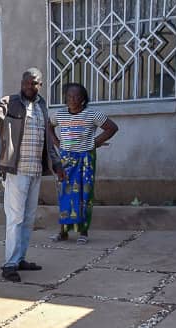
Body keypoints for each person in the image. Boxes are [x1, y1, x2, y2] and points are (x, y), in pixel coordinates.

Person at [0, 68, 65, 282]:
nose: (28, 86)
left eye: (33, 83)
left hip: (35, 171)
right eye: (25, 82)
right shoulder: (11, 102)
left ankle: (20, 259)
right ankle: (9, 264)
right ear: (22, 83)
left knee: (28, 219)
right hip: (16, 171)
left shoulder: (42, 106)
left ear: (40, 85)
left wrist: (56, 164)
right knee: (15, 218)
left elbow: (47, 138)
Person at [48, 82, 119, 244]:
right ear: (65, 98)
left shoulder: (93, 114)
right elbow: (48, 125)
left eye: (77, 97)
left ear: (83, 99)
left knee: (84, 194)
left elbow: (112, 128)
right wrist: (56, 142)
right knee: (65, 194)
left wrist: (94, 143)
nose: (73, 99)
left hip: (86, 158)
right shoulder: (59, 115)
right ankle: (63, 232)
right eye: (69, 96)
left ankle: (83, 232)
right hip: (66, 159)